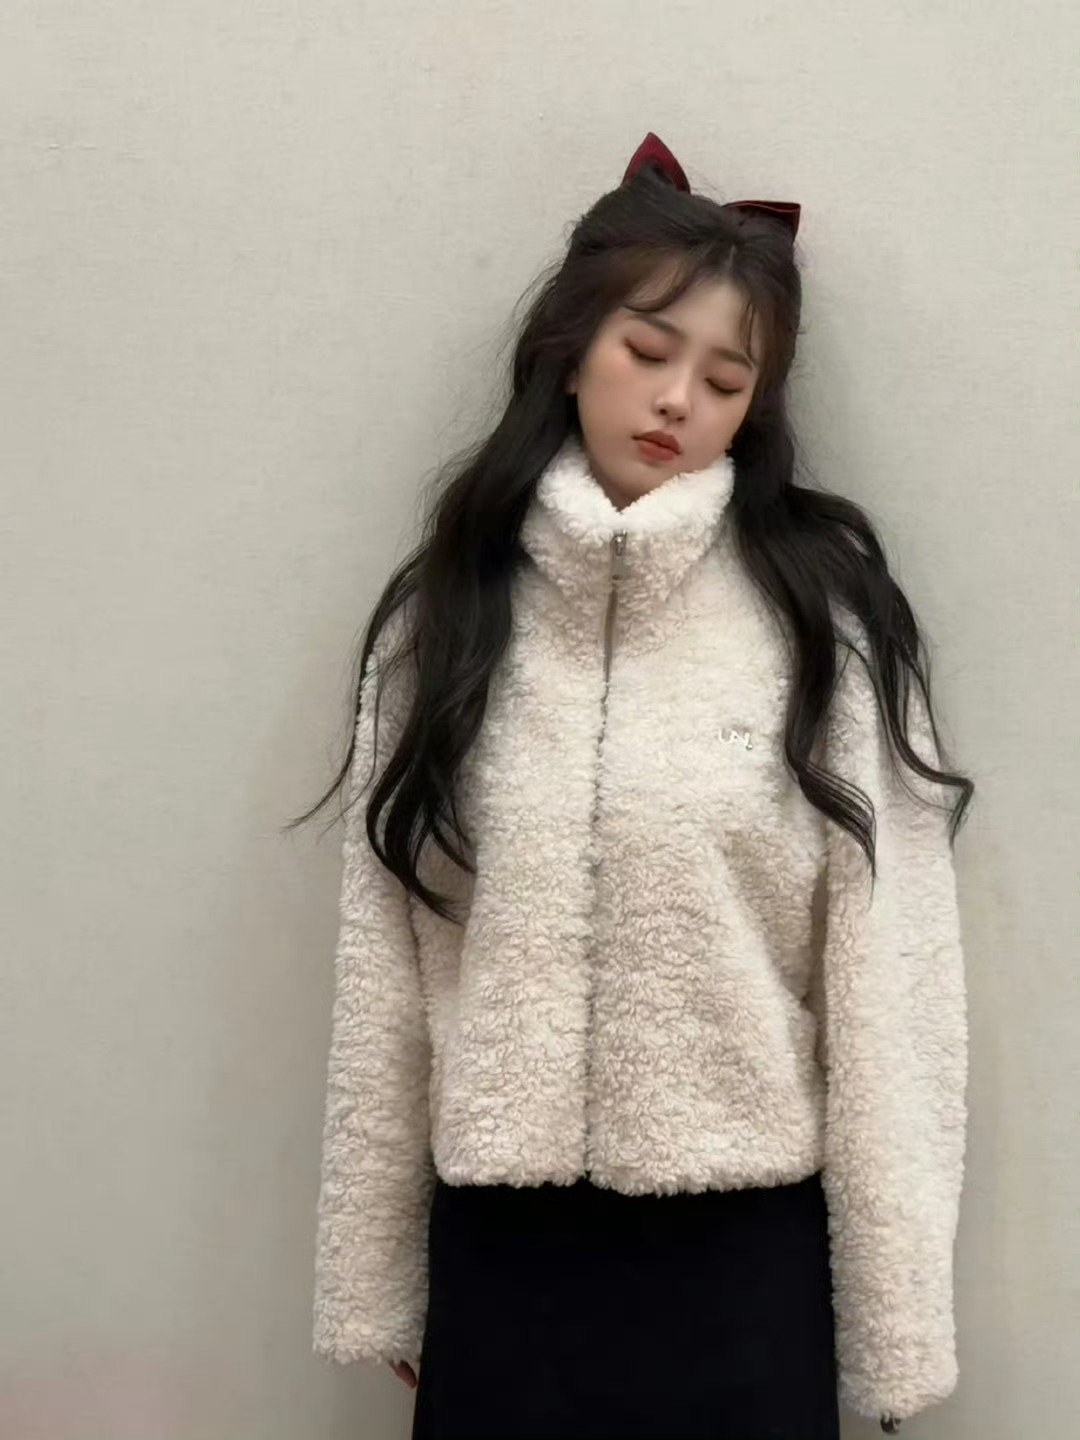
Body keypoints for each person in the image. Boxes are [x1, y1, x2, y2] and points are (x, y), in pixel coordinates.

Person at [292, 131, 973, 1440]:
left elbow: (894, 982)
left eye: (724, 379)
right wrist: (379, 1281)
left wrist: (898, 1325)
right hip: (502, 1254)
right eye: (648, 351)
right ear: (570, 350)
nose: (677, 401)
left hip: (743, 1262)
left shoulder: (821, 624)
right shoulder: (446, 622)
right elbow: (385, 967)